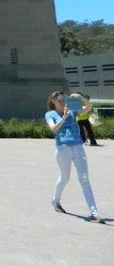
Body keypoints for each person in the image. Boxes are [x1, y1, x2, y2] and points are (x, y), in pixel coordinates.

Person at [44, 91, 101, 222]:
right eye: (59, 101)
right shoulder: (50, 114)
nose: (62, 102)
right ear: (53, 101)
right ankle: (55, 200)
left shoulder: (73, 110)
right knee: (65, 178)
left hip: (78, 146)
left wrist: (81, 98)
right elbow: (53, 129)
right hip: (62, 148)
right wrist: (64, 117)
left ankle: (94, 212)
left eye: (63, 100)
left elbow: (88, 108)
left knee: (84, 179)